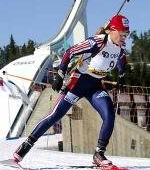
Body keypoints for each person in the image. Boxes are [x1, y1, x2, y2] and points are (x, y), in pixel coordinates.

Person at [12, 14, 130, 167]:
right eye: (122, 34)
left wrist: (122, 76)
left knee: (109, 115)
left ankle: (99, 154)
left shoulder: (120, 48)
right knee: (55, 115)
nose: (124, 38)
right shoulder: (98, 42)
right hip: (78, 83)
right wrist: (60, 75)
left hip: (95, 86)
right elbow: (69, 52)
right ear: (112, 30)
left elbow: (121, 61)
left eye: (126, 35)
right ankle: (21, 151)